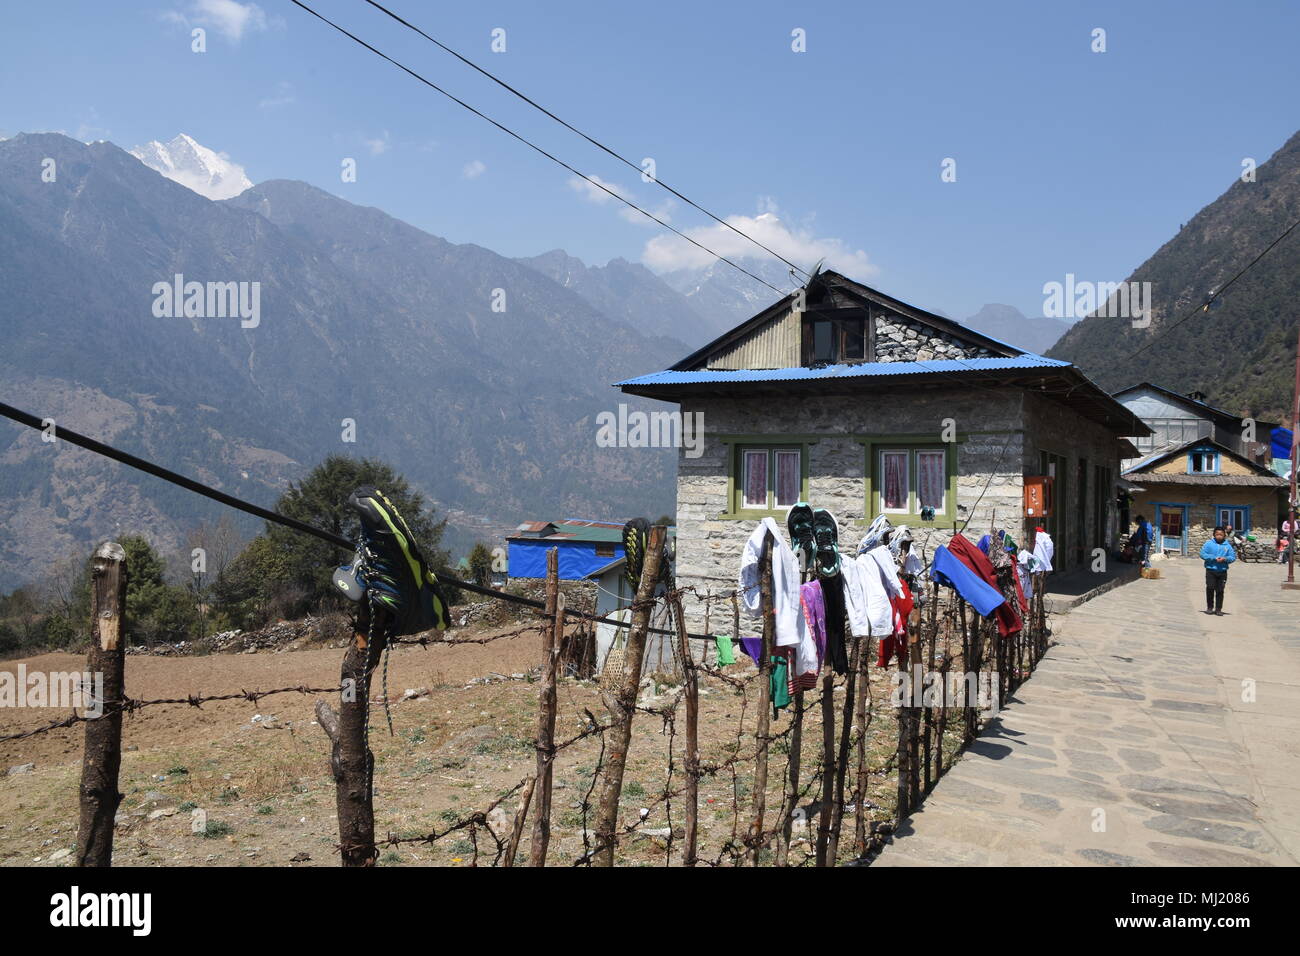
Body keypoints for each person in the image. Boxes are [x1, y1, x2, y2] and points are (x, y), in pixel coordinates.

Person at [1200, 526, 1236, 615]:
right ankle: (1209, 607)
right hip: (1210, 570)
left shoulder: (1227, 546)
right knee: (1210, 588)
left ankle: (1218, 609)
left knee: (1220, 590)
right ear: (1214, 535)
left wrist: (1225, 559)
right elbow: (1202, 554)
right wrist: (1213, 558)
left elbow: (1232, 557)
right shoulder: (1209, 544)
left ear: (1224, 535)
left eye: (1221, 534)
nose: (1219, 536)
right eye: (1217, 534)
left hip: (1222, 571)